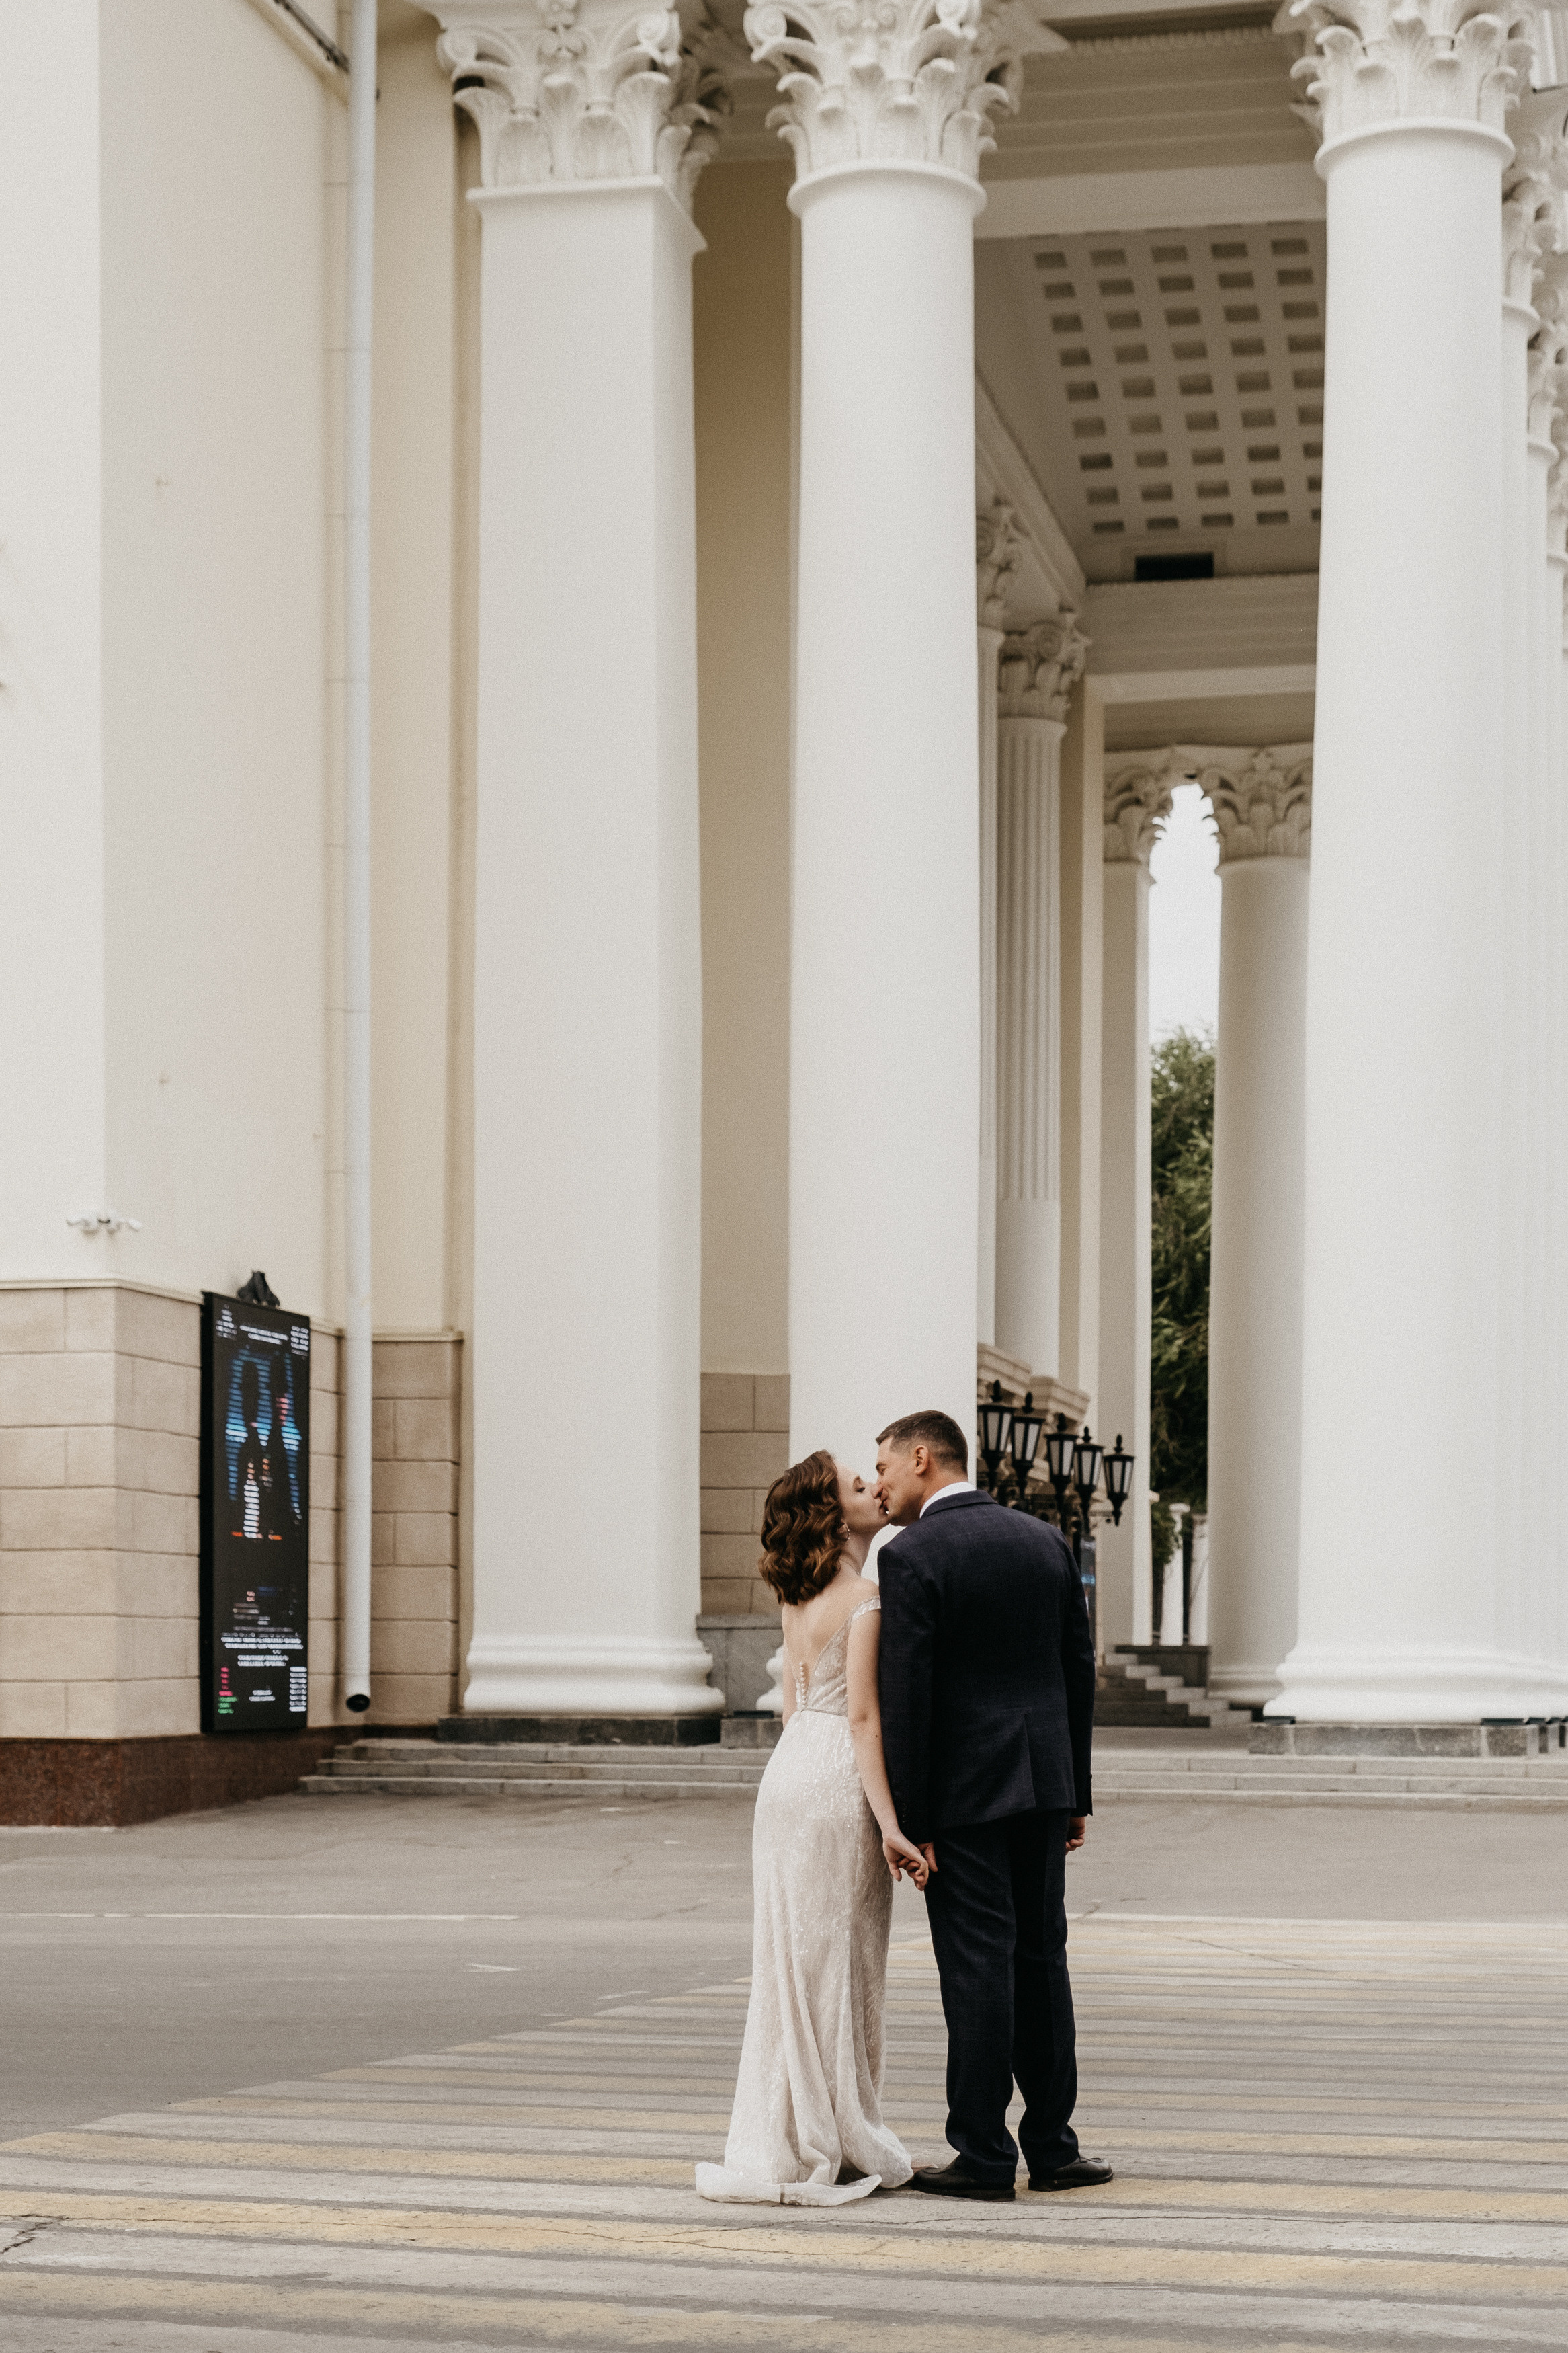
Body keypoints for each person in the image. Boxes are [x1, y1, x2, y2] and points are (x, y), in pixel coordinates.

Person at [874, 1406, 1110, 2202]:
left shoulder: (911, 1554)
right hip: (1042, 1784)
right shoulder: (1043, 1539)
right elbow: (1077, 1669)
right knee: (1041, 1959)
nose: (880, 1484)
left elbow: (907, 1696)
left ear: (920, 1457)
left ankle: (980, 2153)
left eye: (884, 1466)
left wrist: (908, 1819)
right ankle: (1052, 2146)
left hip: (964, 1797)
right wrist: (1074, 1789)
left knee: (976, 1966)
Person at [696, 1449, 930, 2206]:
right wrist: (892, 1823)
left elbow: (795, 1709)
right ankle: (841, 2128)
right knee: (843, 1958)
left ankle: (791, 2128)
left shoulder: (797, 1598)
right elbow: (862, 1719)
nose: (873, 1488)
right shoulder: (865, 1595)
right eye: (858, 1486)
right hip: (833, 1781)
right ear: (833, 1512)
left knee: (790, 1958)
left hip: (787, 1777)